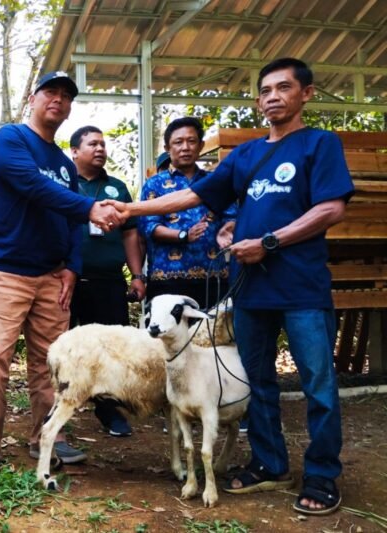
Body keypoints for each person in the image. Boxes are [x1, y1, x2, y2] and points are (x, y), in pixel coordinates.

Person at [111, 58, 352, 516]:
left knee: (318, 383)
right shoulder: (246, 154)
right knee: (256, 381)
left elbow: (331, 209)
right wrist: (130, 210)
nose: (273, 97)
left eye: (284, 87)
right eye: (266, 90)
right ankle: (269, 463)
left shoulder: (320, 145)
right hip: (251, 291)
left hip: (302, 290)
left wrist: (269, 241)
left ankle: (322, 474)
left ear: (307, 94)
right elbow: (193, 197)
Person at [0, 71, 123, 473]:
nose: (58, 99)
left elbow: (70, 219)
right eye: (50, 92)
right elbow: (31, 185)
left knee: (51, 364)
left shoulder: (64, 164)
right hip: (6, 272)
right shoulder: (11, 139)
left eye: (66, 96)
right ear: (34, 99)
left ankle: (47, 437)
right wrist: (88, 207)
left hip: (52, 277)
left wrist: (72, 266)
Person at [69, 125, 145, 437]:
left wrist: (137, 275)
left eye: (103, 144)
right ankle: (59, 408)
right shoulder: (62, 185)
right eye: (92, 144)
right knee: (65, 347)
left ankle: (109, 409)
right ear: (74, 151)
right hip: (68, 281)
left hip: (109, 282)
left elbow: (130, 235)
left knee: (111, 350)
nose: (100, 149)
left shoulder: (117, 188)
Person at [139, 117, 236, 309]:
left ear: (200, 146)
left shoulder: (216, 181)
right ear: (167, 147)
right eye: (178, 142)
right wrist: (183, 235)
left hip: (213, 277)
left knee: (214, 337)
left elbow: (231, 215)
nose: (185, 147)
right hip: (166, 279)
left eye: (191, 141)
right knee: (167, 337)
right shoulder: (154, 184)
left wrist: (228, 229)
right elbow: (149, 227)